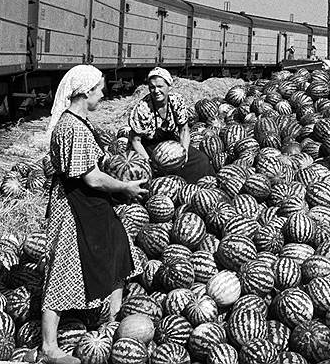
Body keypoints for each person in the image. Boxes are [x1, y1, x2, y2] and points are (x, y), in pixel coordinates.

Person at [42, 65, 148, 364]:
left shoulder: (78, 121)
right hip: (77, 204)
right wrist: (125, 186)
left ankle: (113, 321)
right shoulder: (72, 127)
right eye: (100, 89)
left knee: (116, 250)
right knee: (62, 270)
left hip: (91, 203)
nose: (103, 94)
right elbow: (92, 178)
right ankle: (49, 347)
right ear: (86, 91)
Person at [128, 67, 215, 182]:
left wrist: (184, 153)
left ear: (169, 87)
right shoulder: (143, 108)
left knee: (201, 160)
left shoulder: (176, 102)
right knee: (159, 171)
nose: (156, 91)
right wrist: (149, 161)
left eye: (160, 86)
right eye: (152, 87)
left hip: (170, 142)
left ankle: (198, 187)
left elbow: (184, 130)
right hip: (147, 146)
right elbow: (135, 141)